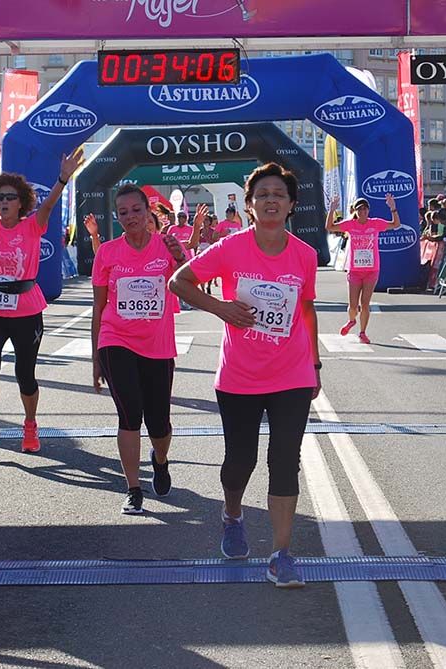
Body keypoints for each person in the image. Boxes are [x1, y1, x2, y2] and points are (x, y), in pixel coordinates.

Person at [169, 163, 321, 589]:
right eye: (262, 195)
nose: (271, 200)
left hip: (291, 372)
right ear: (250, 206)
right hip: (239, 375)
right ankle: (232, 513)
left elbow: (306, 310)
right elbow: (179, 282)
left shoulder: (305, 255)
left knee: (284, 461)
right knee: (240, 461)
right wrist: (221, 308)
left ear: (291, 205)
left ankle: (281, 554)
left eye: (279, 194)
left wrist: (314, 362)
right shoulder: (231, 248)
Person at [0, 130, 83, 453]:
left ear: (21, 202)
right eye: (0, 197)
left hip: (26, 307)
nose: (4, 202)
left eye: (11, 197)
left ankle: (30, 425)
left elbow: (49, 205)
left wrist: (62, 180)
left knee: (25, 372)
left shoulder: (32, 225)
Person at [91, 184, 187, 514]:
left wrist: (178, 257)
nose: (130, 217)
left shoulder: (166, 246)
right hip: (116, 339)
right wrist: (95, 358)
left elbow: (190, 285)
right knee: (129, 415)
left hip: (158, 345)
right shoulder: (107, 253)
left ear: (148, 212)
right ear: (117, 218)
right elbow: (99, 306)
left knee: (159, 423)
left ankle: (160, 460)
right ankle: (133, 488)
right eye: (123, 212)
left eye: (136, 210)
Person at [326, 195, 400, 344]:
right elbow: (330, 227)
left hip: (371, 270)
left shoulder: (376, 223)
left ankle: (362, 332)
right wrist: (332, 209)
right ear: (356, 211)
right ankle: (351, 320)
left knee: (365, 303)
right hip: (354, 270)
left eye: (365, 209)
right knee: (353, 305)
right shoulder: (350, 225)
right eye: (360, 209)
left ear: (368, 211)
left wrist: (393, 208)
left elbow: (396, 224)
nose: (363, 211)